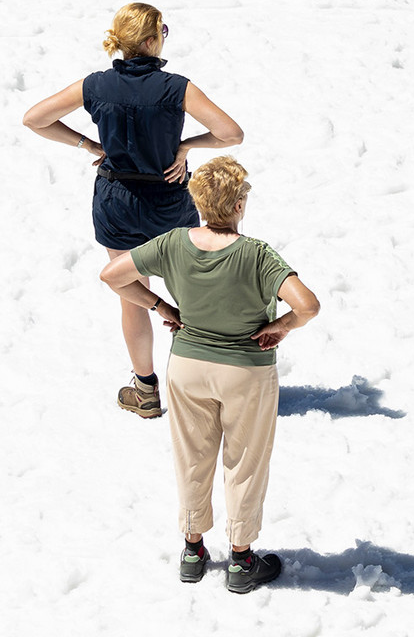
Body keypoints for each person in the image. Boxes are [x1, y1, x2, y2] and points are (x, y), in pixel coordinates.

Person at [100, 156, 320, 593]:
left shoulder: (173, 242)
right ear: (238, 205)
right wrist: (281, 326)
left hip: (187, 368)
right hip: (245, 373)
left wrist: (163, 308)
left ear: (198, 201)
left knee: (192, 458)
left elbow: (112, 275)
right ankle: (240, 561)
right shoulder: (257, 254)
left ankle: (192, 550)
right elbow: (308, 305)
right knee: (245, 464)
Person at [22, 3, 244, 417]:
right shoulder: (176, 87)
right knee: (194, 292)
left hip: (116, 201)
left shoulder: (95, 84)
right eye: (163, 29)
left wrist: (88, 146)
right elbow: (231, 134)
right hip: (168, 199)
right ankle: (207, 387)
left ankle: (145, 391)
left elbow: (34, 119)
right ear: (149, 40)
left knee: (132, 293)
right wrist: (186, 145)